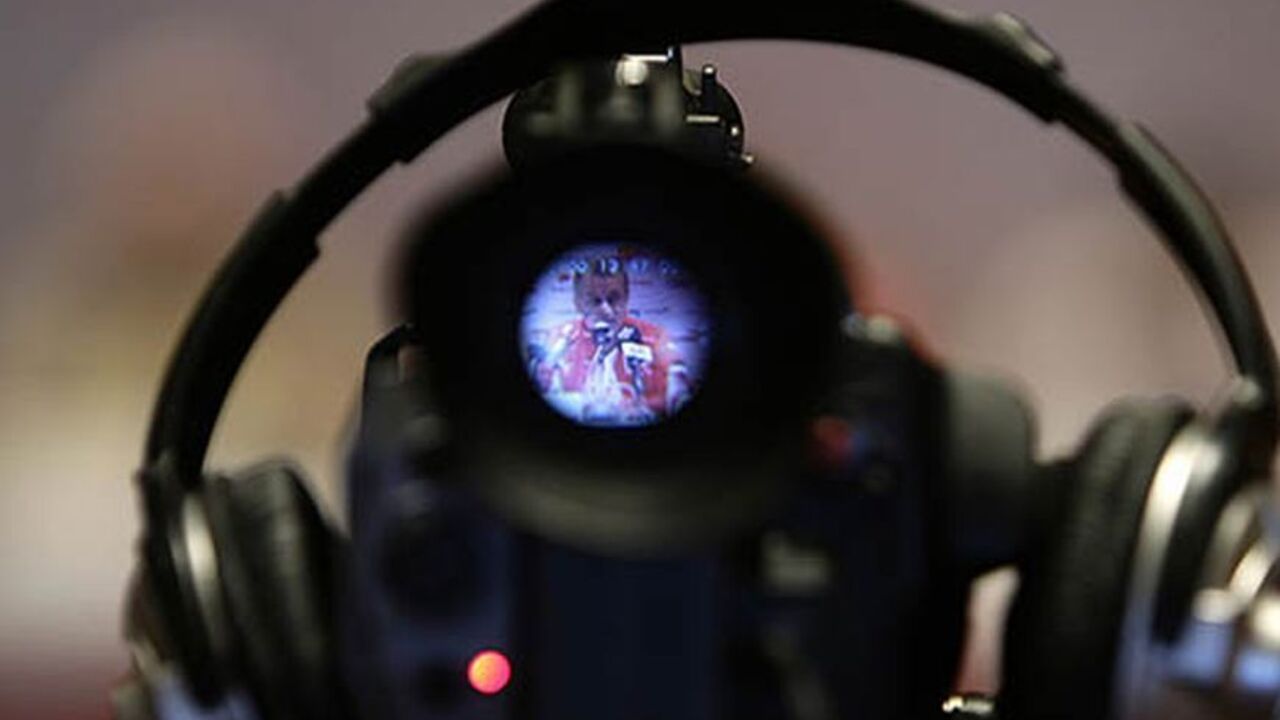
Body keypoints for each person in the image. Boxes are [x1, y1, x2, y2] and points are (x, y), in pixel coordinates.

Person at [530, 254, 690, 425]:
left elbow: (679, 392)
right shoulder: (559, 338)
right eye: (594, 300)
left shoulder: (655, 337)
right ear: (577, 302)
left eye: (614, 299)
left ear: (627, 298)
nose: (606, 310)